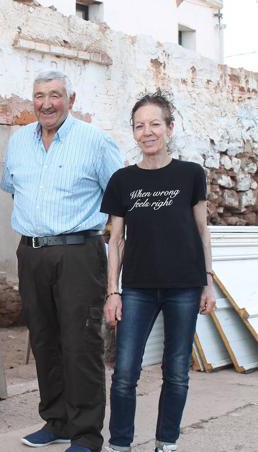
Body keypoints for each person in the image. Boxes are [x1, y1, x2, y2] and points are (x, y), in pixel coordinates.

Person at [0, 69, 123, 452]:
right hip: (32, 252)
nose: (47, 103)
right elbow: (11, 187)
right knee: (44, 339)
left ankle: (86, 435)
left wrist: (116, 257)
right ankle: (57, 421)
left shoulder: (96, 141)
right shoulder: (19, 142)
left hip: (79, 253)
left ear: (71, 99)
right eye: (39, 95)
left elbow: (119, 201)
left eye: (55, 95)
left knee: (80, 343)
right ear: (31, 100)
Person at [101, 91, 215, 452]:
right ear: (133, 132)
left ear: (169, 127)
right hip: (137, 288)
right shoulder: (122, 180)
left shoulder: (191, 174)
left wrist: (208, 282)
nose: (147, 132)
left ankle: (167, 442)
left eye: (154, 124)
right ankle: (120, 444)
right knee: (124, 374)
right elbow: (115, 239)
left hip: (185, 286)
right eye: (139, 125)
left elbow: (202, 230)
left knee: (177, 372)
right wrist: (112, 291)